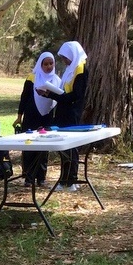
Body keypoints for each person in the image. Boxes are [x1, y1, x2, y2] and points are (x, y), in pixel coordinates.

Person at [38, 41, 88, 192]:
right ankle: (64, 179)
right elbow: (64, 94)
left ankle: (70, 180)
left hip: (72, 113)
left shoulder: (80, 70)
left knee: (71, 147)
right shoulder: (70, 70)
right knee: (64, 149)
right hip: (63, 111)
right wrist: (50, 94)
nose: (64, 61)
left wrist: (52, 95)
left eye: (65, 57)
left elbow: (76, 95)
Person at [13, 52, 61, 187]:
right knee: (29, 145)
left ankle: (41, 178)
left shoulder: (57, 80)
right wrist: (19, 116)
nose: (48, 66)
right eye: (45, 64)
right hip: (31, 115)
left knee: (44, 147)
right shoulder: (32, 78)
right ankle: (28, 177)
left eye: (51, 63)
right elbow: (24, 97)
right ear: (40, 65)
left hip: (47, 117)